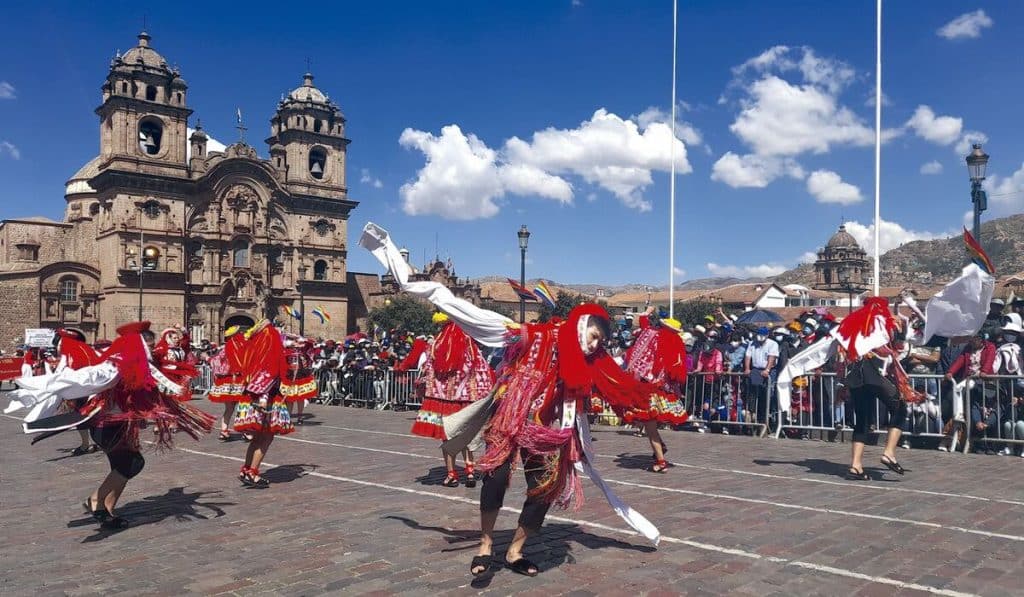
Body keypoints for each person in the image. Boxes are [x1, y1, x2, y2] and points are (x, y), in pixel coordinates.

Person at [359, 222, 662, 578]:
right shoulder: (532, 335)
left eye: (600, 342)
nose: (595, 346)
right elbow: (461, 308)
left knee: (545, 488)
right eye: (593, 337)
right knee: (497, 477)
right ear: (580, 326)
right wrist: (400, 266)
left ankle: (515, 550)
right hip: (510, 417)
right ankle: (486, 543)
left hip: (549, 429)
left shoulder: (590, 364)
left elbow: (620, 389)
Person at [9, 321, 215, 528]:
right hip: (106, 424)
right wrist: (46, 385)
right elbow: (90, 376)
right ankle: (96, 501)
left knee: (123, 466)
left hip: (118, 424)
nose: (152, 350)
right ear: (139, 344)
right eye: (149, 346)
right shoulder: (116, 365)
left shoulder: (139, 364)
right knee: (132, 464)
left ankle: (107, 510)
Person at [839, 299, 923, 480]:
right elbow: (895, 347)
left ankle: (855, 466)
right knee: (901, 407)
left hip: (855, 376)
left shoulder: (852, 322)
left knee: (862, 420)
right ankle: (889, 452)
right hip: (873, 374)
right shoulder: (883, 322)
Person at [410, 312, 495, 487]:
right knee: (467, 435)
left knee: (447, 437)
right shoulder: (470, 347)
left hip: (442, 400)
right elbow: (483, 372)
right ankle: (470, 472)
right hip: (467, 400)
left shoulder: (436, 345)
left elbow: (427, 370)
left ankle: (451, 474)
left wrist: (423, 385)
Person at [620, 310, 689, 472]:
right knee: (645, 422)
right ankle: (660, 449)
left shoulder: (653, 336)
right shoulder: (677, 343)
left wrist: (645, 314)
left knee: (648, 424)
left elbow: (644, 326)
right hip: (663, 389)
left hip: (648, 388)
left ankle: (661, 460)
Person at [233, 320, 295, 487]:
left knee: (257, 437)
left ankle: (246, 469)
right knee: (266, 437)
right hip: (265, 398)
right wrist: (264, 397)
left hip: (253, 395)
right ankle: (253, 472)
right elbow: (270, 373)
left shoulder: (255, 350)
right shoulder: (269, 349)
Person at [207, 325, 246, 441]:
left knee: (230, 408)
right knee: (242, 406)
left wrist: (208, 359)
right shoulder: (242, 346)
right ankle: (245, 430)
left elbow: (217, 361)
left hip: (227, 381)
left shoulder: (225, 348)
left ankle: (224, 430)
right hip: (238, 380)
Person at [743, 326, 779, 426]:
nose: (760, 337)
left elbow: (771, 357)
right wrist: (747, 368)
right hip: (755, 370)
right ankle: (753, 414)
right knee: (753, 393)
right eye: (759, 334)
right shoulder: (752, 343)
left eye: (762, 335)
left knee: (767, 394)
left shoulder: (773, 344)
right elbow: (748, 356)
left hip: (768, 371)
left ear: (767, 335)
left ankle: (767, 419)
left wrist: (767, 369)